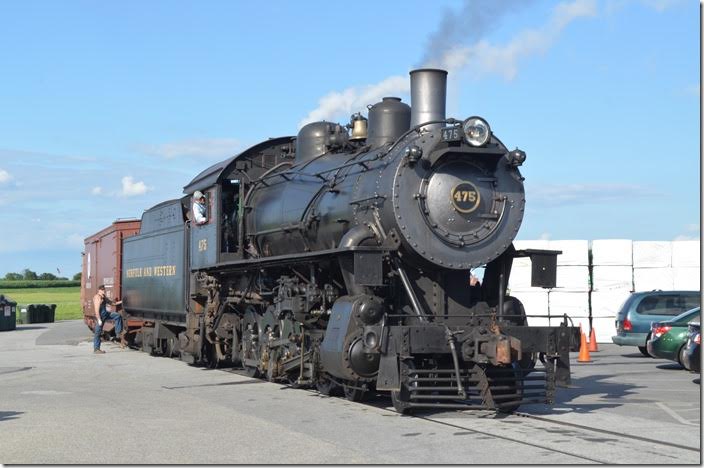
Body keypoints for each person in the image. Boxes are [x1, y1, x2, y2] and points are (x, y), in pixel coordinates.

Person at [93, 285, 125, 354]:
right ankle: (96, 349)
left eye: (104, 290)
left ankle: (118, 333)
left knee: (117, 316)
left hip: (106, 314)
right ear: (99, 290)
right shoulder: (97, 297)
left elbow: (113, 303)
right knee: (98, 333)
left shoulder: (103, 297)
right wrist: (99, 320)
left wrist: (122, 301)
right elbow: (96, 310)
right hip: (100, 316)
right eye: (102, 290)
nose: (103, 291)